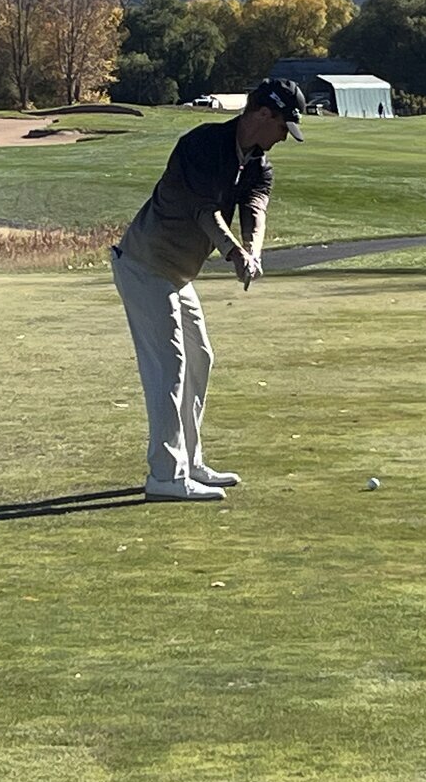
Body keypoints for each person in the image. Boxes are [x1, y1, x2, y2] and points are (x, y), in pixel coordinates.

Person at [110, 78, 306, 501]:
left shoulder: (257, 162)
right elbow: (205, 212)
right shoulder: (201, 145)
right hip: (145, 265)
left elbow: (255, 208)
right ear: (262, 115)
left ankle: (189, 461)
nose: (282, 139)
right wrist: (234, 253)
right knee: (170, 364)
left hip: (177, 274)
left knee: (200, 358)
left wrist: (252, 251)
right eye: (282, 127)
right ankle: (164, 476)